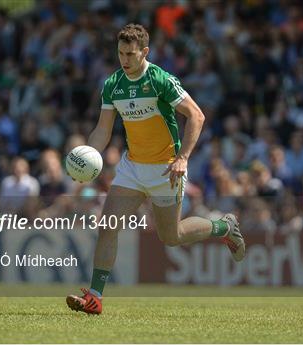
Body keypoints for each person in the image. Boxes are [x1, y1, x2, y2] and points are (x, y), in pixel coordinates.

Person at [66, 24, 245, 315]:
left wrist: (183, 157)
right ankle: (95, 297)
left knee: (171, 237)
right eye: (120, 53)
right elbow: (102, 130)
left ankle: (224, 227)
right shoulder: (113, 84)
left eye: (130, 54)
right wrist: (88, 157)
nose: (124, 59)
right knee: (108, 226)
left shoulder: (161, 79)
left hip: (166, 169)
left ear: (145, 52)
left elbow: (196, 116)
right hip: (132, 168)